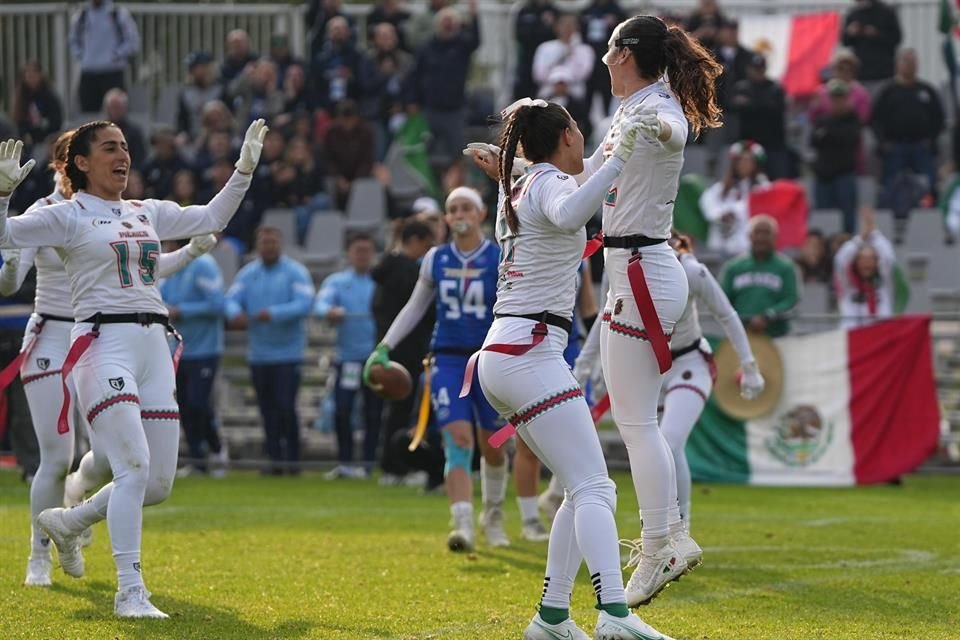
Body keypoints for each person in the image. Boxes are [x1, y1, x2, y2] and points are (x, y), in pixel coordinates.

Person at [0, 118, 267, 617]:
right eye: (109, 148)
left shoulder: (145, 211)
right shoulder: (68, 213)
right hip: (102, 341)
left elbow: (211, 216)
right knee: (132, 467)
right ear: (81, 162)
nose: (123, 155)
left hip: (153, 344)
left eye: (125, 146)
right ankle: (129, 592)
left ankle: (70, 520)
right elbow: (7, 237)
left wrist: (244, 168)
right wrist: (1, 195)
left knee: (158, 483)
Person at [462, 99, 674, 640]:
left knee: (583, 488)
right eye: (579, 129)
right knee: (598, 489)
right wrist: (621, 155)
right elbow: (566, 212)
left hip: (509, 352)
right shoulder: (548, 184)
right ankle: (614, 615)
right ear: (564, 138)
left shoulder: (522, 185)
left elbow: (550, 210)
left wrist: (514, 165)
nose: (586, 138)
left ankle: (553, 617)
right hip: (526, 351)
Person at [581, 14, 722, 606]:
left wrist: (657, 135)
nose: (604, 60)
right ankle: (670, 535)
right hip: (628, 268)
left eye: (611, 50)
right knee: (637, 424)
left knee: (638, 425)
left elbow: (672, 129)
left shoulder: (654, 107)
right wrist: (515, 164)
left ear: (627, 53)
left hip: (642, 268)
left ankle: (662, 541)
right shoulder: (628, 108)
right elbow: (584, 176)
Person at [364, 186, 549, 551]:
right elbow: (416, 307)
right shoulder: (436, 258)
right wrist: (386, 345)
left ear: (482, 214)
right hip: (447, 359)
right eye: (452, 209)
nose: (459, 213)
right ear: (445, 219)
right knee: (458, 440)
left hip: (490, 358)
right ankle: (462, 522)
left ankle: (492, 516)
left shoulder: (499, 256)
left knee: (494, 447)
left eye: (466, 207)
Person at [226, 226, 315, 476]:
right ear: (258, 246)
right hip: (259, 355)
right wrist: (235, 314)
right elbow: (230, 300)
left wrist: (273, 314)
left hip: (289, 353)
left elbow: (305, 303)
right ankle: (275, 460)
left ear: (281, 244)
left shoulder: (295, 272)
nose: (269, 247)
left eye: (273, 242)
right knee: (267, 409)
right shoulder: (248, 274)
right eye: (264, 243)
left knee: (286, 406)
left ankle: (293, 460)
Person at [370, 220, 436, 483]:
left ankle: (389, 464)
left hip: (388, 346)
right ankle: (399, 465)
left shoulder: (384, 270)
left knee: (392, 410)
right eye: (426, 243)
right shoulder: (408, 273)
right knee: (406, 409)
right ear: (414, 241)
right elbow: (423, 310)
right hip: (409, 349)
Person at [315, 233, 382, 479]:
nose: (362, 255)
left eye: (367, 250)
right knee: (342, 409)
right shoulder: (337, 282)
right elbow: (320, 304)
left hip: (375, 360)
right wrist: (329, 311)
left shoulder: (379, 281)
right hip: (348, 360)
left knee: (373, 412)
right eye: (358, 250)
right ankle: (344, 461)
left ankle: (367, 463)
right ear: (349, 254)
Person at [160, 237, 228, 478]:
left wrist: (182, 311)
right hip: (178, 350)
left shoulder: (202, 265)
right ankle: (200, 458)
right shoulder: (169, 268)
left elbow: (218, 304)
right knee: (187, 406)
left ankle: (216, 450)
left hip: (205, 349)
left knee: (199, 403)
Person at [871, 48, 945, 203]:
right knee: (891, 187)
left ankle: (928, 215)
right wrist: (883, 142)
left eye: (913, 62)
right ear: (898, 64)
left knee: (927, 188)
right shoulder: (888, 91)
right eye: (906, 61)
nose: (910, 65)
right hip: (895, 148)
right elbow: (875, 120)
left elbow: (939, 118)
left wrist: (931, 140)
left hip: (921, 148)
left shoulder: (927, 90)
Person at [720, 215, 799, 338]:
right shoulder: (733, 267)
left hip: (776, 335)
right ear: (749, 236)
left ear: (775, 237)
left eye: (766, 233)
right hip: (741, 335)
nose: (761, 237)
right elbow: (723, 299)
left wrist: (768, 315)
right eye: (757, 233)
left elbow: (791, 299)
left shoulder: (786, 267)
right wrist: (743, 318)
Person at [699, 140, 769, 257]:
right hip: (721, 247)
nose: (744, 164)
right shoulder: (722, 188)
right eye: (741, 160)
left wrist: (735, 212)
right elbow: (707, 203)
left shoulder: (763, 187)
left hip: (748, 248)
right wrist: (720, 215)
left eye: (748, 161)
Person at [69, 0, 141, 112]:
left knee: (117, 114)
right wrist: (82, 56)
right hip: (89, 71)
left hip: (113, 71)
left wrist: (116, 54)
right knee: (88, 116)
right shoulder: (82, 15)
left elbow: (132, 41)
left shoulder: (118, 14)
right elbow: (73, 40)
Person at [810, 79, 862, 234]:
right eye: (834, 98)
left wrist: (829, 134)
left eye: (841, 98)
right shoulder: (821, 120)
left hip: (844, 174)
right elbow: (814, 141)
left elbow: (849, 139)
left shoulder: (853, 120)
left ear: (847, 99)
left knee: (848, 216)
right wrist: (833, 134)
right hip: (823, 176)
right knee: (823, 216)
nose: (837, 102)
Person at [833, 208, 896, 329]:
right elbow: (840, 260)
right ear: (855, 262)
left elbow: (888, 257)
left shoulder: (884, 282)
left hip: (881, 335)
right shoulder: (847, 283)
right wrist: (861, 238)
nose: (867, 264)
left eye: (871, 259)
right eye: (862, 259)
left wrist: (874, 232)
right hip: (852, 337)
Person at [729, 55, 788, 179]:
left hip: (773, 144)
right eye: (755, 68)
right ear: (749, 69)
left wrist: (751, 104)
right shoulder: (742, 87)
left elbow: (775, 110)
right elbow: (734, 106)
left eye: (761, 68)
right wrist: (762, 105)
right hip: (749, 145)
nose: (758, 72)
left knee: (775, 181)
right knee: (747, 181)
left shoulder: (775, 88)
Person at [532, 13, 595, 102]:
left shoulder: (585, 50)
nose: (567, 29)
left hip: (574, 95)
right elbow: (539, 75)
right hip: (548, 93)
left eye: (571, 25)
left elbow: (583, 74)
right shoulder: (545, 47)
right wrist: (557, 81)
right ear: (556, 27)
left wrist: (565, 81)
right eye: (564, 25)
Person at [841, 0, 902, 87]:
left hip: (882, 72)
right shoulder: (853, 14)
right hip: (860, 72)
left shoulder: (886, 12)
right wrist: (850, 33)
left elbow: (896, 38)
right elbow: (844, 41)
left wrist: (877, 34)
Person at [12, 63, 63, 151]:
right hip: (27, 141)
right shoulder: (22, 98)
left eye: (34, 74)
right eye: (28, 75)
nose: (31, 78)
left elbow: (56, 120)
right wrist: (25, 134)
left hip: (46, 139)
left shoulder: (48, 96)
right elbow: (19, 120)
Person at [176, 52, 224, 142]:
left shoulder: (220, 90)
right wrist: (182, 133)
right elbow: (182, 120)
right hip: (193, 139)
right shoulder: (186, 93)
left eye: (197, 67)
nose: (193, 72)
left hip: (217, 139)